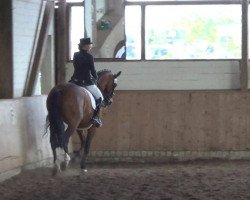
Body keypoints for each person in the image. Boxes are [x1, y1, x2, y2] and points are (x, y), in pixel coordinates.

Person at [69, 37, 104, 127]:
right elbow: (92, 70)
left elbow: (76, 67)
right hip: (86, 82)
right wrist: (95, 78)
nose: (90, 46)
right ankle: (95, 117)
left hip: (74, 81)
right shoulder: (89, 57)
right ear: (85, 46)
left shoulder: (75, 55)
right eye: (89, 45)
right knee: (100, 98)